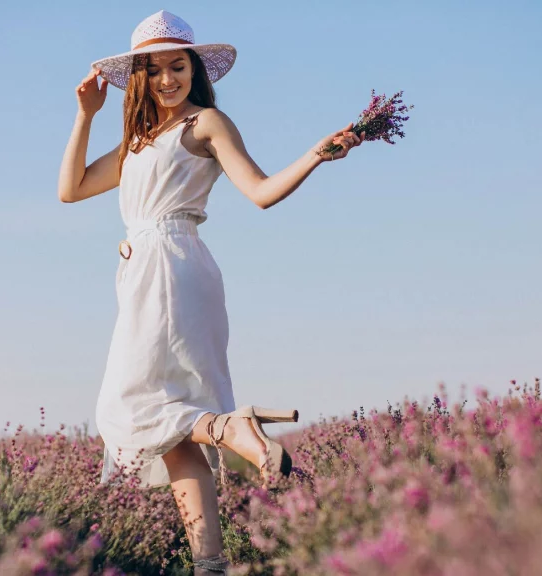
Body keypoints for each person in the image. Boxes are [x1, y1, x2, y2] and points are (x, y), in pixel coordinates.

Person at [56, 10, 363, 574]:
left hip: (172, 269)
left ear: (194, 70)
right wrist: (84, 116)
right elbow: (70, 189)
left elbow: (262, 191)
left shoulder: (207, 123)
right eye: (155, 69)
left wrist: (318, 155)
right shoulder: (139, 141)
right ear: (140, 78)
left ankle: (229, 427)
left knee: (128, 408)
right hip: (149, 272)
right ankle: (210, 565)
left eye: (178, 66)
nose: (168, 79)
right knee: (174, 433)